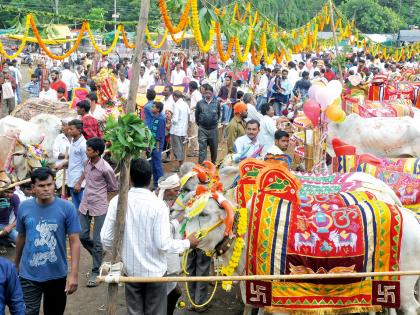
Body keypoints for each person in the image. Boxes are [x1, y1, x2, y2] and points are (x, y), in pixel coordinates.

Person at [101, 158, 200, 315]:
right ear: (150, 179)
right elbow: (164, 244)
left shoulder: (117, 202)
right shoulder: (158, 205)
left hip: (131, 273)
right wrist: (188, 243)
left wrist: (122, 255)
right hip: (155, 275)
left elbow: (106, 238)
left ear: (130, 179)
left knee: (134, 312)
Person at [15, 167, 80, 315]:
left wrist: (74, 274)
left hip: (56, 274)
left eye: (49, 184)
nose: (46, 189)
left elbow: (74, 241)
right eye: (41, 186)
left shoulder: (67, 208)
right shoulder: (24, 207)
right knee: (28, 312)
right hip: (28, 274)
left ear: (54, 184)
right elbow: (21, 237)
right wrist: (16, 264)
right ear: (33, 188)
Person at [76, 138, 118, 287]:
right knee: (82, 235)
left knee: (98, 239)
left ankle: (95, 271)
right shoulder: (86, 163)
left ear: (97, 152)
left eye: (89, 149)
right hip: (85, 204)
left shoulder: (106, 168)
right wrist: (78, 182)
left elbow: (113, 187)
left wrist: (107, 202)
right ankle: (98, 254)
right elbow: (84, 174)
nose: (86, 151)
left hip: (100, 205)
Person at [155, 174, 183, 315]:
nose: (178, 193)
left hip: (162, 256)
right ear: (167, 189)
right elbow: (164, 234)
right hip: (159, 258)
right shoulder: (158, 205)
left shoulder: (163, 202)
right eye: (176, 190)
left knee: (174, 291)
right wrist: (180, 219)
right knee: (172, 292)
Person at [57, 119, 87, 211]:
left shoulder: (83, 145)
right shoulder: (73, 142)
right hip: (72, 179)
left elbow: (87, 166)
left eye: (71, 129)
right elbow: (74, 160)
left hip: (79, 183)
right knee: (75, 206)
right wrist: (63, 165)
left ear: (79, 130)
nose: (69, 131)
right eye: (68, 129)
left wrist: (79, 183)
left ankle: (83, 225)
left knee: (81, 207)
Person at [195, 84, 220, 164]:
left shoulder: (216, 103)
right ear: (204, 93)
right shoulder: (199, 103)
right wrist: (201, 124)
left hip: (213, 129)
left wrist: (214, 122)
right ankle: (202, 166)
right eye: (206, 93)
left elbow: (218, 115)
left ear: (212, 93)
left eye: (209, 93)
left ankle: (213, 164)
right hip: (202, 129)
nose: (208, 95)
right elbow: (197, 115)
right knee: (202, 149)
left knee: (214, 148)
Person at [170, 91, 190, 172]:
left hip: (176, 130)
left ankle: (180, 166)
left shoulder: (176, 105)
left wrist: (169, 119)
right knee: (181, 147)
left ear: (174, 97)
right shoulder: (185, 104)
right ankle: (181, 165)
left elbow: (175, 119)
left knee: (177, 148)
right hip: (183, 129)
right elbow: (189, 113)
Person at [148, 102, 166, 189]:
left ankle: (161, 184)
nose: (152, 108)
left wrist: (157, 147)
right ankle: (156, 184)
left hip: (157, 144)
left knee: (157, 165)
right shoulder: (155, 117)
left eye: (153, 107)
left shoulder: (161, 119)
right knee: (154, 164)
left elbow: (159, 135)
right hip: (153, 144)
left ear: (158, 109)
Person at [186, 81, 202, 157]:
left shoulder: (196, 94)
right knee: (193, 133)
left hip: (195, 117)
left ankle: (196, 150)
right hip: (193, 116)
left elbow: (200, 104)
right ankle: (195, 149)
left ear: (191, 87)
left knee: (194, 134)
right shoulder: (193, 93)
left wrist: (193, 107)